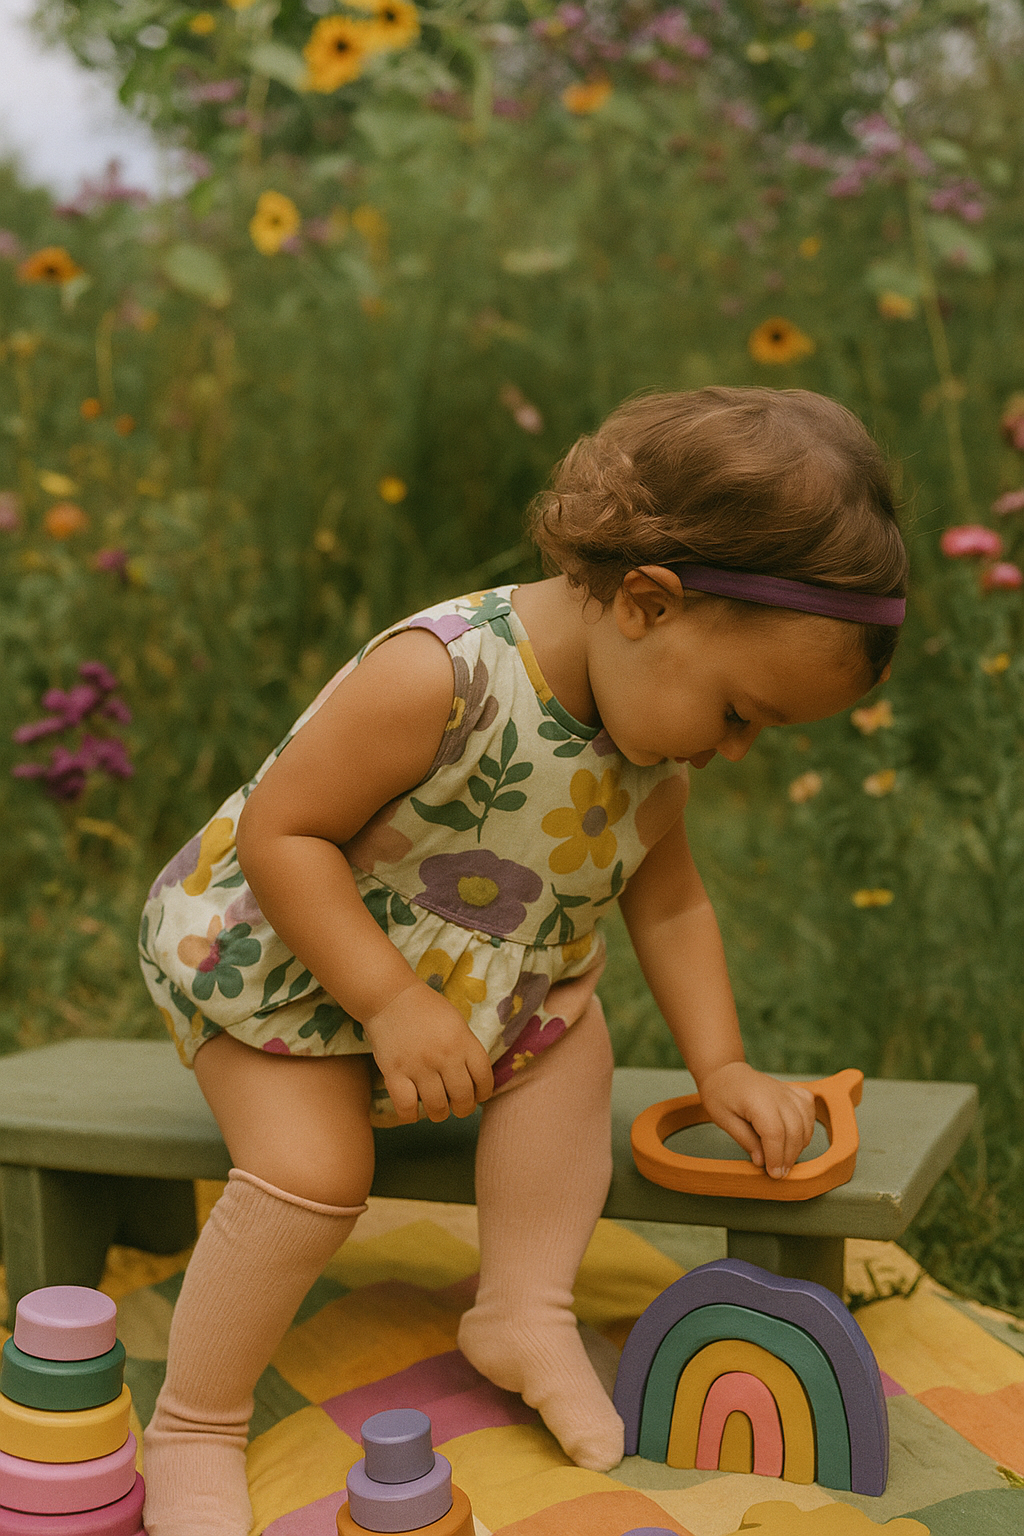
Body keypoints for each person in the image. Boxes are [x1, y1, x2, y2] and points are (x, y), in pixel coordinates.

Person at [137, 386, 908, 1535]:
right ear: (648, 601)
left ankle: (522, 1307)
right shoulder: (441, 677)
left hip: (486, 989)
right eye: (739, 711)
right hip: (288, 959)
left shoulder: (650, 743)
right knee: (313, 1167)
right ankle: (195, 1421)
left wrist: (725, 1068)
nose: (734, 749)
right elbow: (282, 835)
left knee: (572, 1053)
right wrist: (390, 1003)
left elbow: (673, 909)